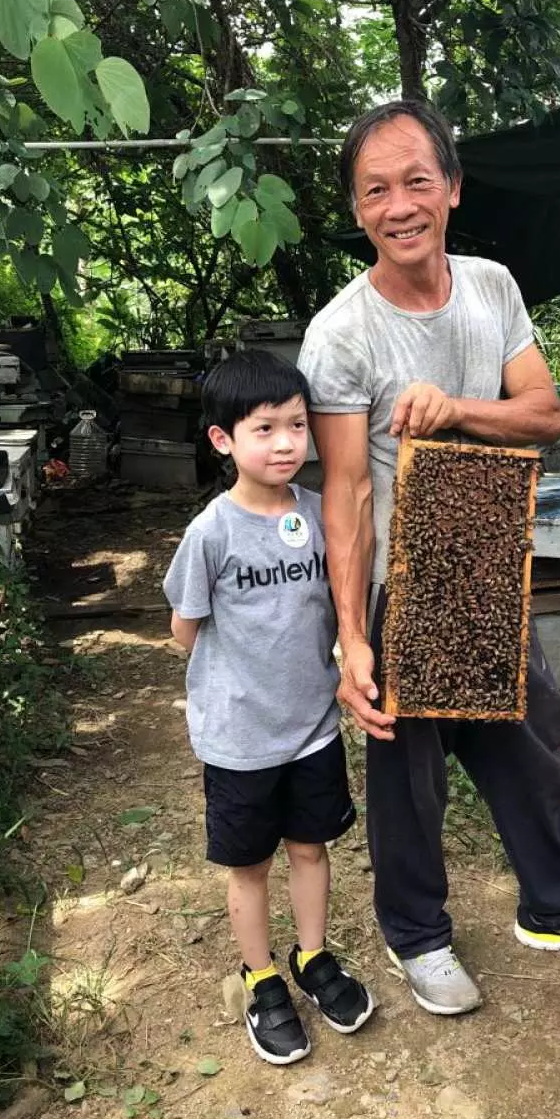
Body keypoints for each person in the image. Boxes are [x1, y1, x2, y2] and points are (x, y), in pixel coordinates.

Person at [298, 99, 560, 1017]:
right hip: (397, 584)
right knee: (404, 772)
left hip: (487, 564)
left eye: (418, 180)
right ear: (357, 210)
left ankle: (557, 904)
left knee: (531, 737)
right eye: (375, 190)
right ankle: (416, 934)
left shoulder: (492, 288)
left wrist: (455, 409)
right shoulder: (340, 335)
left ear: (452, 188)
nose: (399, 204)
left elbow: (543, 416)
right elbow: (347, 492)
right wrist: (352, 638)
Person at [163, 349, 375, 1064]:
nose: (286, 443)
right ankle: (260, 979)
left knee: (311, 847)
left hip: (312, 728)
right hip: (239, 739)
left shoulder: (320, 516)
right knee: (249, 864)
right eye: (264, 429)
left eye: (295, 425)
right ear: (223, 440)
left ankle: (312, 958)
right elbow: (183, 630)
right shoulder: (211, 533)